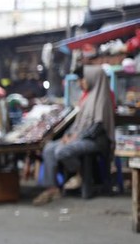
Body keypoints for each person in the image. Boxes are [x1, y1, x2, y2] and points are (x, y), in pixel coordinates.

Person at [32, 65, 115, 205]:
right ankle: (52, 187)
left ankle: (80, 174)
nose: (80, 82)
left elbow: (98, 126)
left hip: (95, 140)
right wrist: (69, 135)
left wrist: (77, 137)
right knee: (49, 148)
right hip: (80, 137)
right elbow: (78, 122)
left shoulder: (103, 98)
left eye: (82, 79)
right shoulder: (87, 97)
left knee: (62, 151)